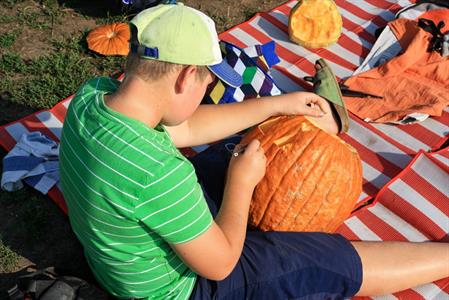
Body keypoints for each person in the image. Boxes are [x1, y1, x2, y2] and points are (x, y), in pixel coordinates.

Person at [59, 3, 449, 299]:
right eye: (205, 86)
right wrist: (241, 185)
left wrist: (277, 105)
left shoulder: (93, 98)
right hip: (178, 289)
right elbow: (220, 263)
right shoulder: (159, 173)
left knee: (235, 149)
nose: (202, 100)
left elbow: (188, 128)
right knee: (316, 257)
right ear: (184, 78)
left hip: (120, 256)